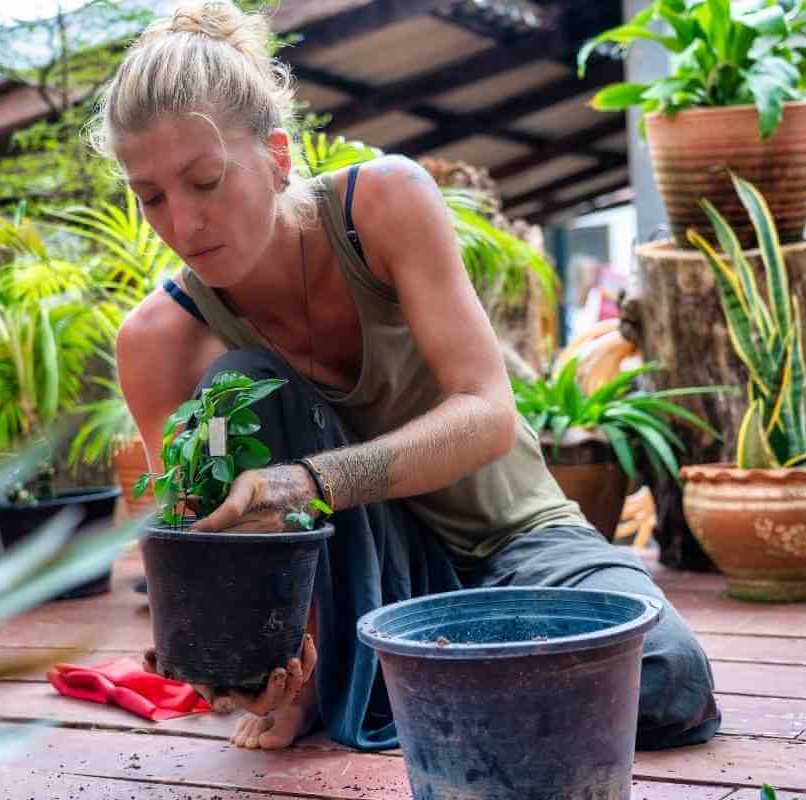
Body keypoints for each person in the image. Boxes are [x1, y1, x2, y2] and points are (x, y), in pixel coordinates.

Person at [95, 0, 720, 754]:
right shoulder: (160, 340)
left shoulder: (382, 204)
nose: (182, 224)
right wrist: (234, 660)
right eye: (150, 196)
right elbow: (199, 552)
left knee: (666, 676)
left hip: (519, 543)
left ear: (278, 156)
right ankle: (383, 680)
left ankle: (401, 690)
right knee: (246, 377)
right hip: (352, 591)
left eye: (205, 180)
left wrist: (309, 481)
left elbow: (487, 415)